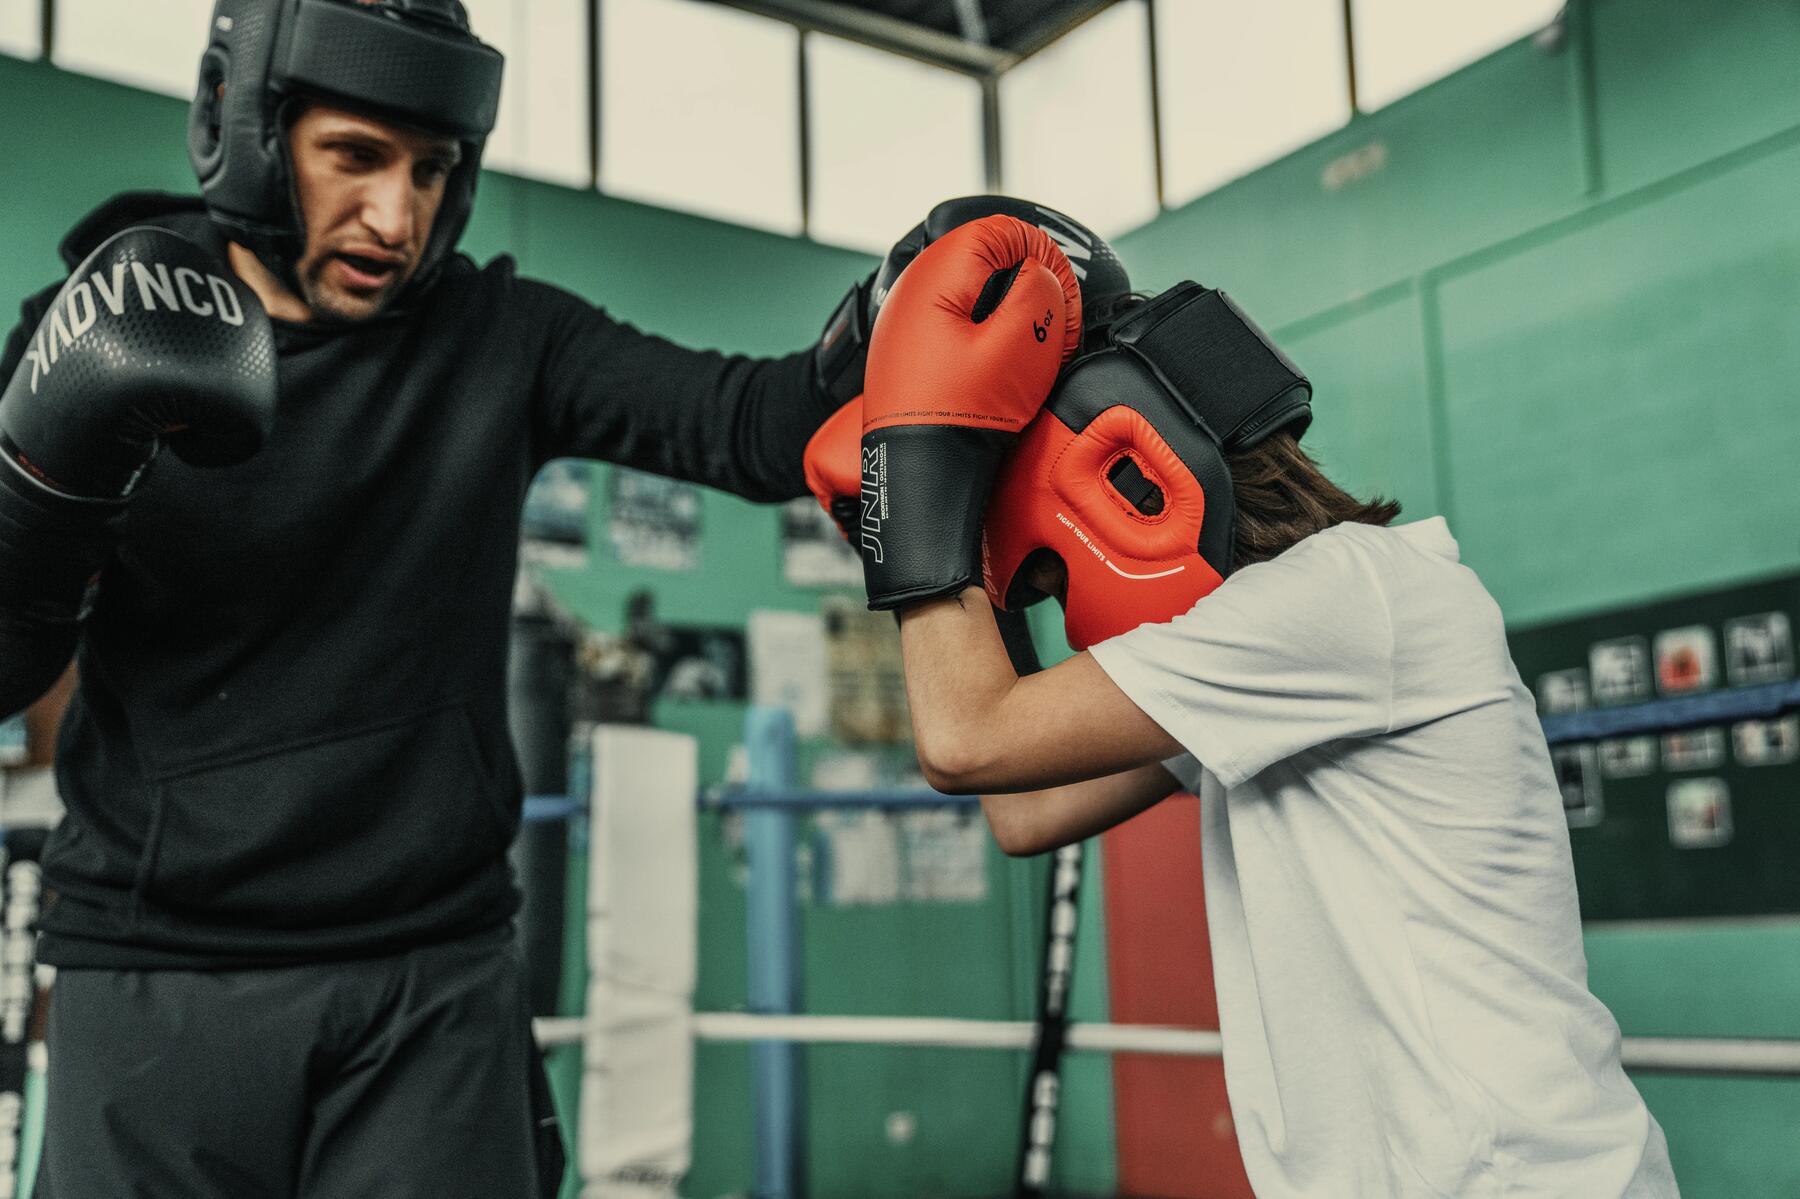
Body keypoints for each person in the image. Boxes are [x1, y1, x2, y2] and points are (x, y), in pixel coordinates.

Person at [0, 3, 1115, 1195]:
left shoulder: (495, 337)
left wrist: (900, 314)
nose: (398, 215)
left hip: (428, 984)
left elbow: (750, 423)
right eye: (357, 157)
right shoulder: (97, 329)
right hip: (158, 973)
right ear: (251, 129)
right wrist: (41, 473)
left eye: (432, 169)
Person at [807, 222, 1681, 1196]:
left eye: (1043, 562)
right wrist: (937, 535)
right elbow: (1025, 809)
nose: (1050, 586)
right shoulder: (1273, 660)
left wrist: (915, 466)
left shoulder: (1351, 598)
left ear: (1133, 462)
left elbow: (966, 739)